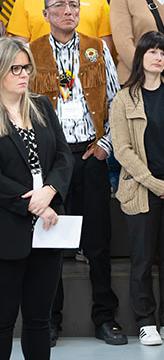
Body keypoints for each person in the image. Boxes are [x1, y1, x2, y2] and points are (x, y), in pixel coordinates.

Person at [29, 0, 126, 347]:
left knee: (98, 241)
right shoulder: (31, 53)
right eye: (60, 5)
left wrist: (106, 145)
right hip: (51, 163)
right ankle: (49, 319)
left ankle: (105, 317)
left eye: (73, 5)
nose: (68, 10)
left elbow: (116, 101)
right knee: (49, 241)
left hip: (89, 155)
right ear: (46, 14)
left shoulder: (96, 48)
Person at [110, 31, 164, 346]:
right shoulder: (123, 99)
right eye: (152, 52)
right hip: (142, 190)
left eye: (163, 53)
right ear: (141, 56)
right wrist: (155, 184)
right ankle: (146, 322)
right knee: (142, 260)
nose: (158, 57)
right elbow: (122, 149)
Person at [0, 37, 73, 360]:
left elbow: (64, 156)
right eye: (14, 68)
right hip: (8, 227)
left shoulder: (42, 105)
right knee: (3, 322)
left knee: (39, 319)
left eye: (26, 67)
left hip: (48, 227)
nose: (23, 74)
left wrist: (50, 191)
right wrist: (30, 203)